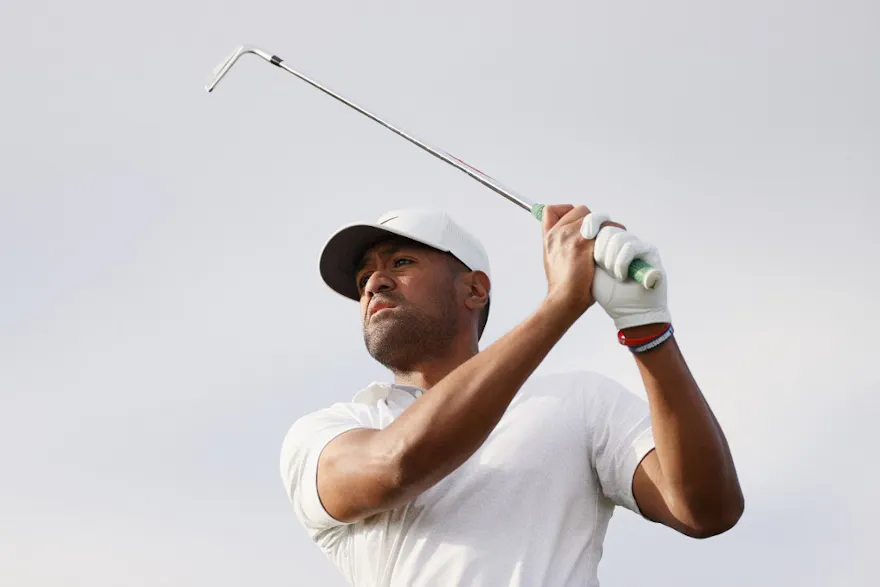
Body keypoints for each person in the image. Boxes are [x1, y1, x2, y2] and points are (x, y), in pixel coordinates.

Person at [280, 205, 743, 586]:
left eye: (401, 263)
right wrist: (562, 302)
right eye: (364, 280)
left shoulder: (577, 400)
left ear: (475, 289)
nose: (375, 283)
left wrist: (647, 329)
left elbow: (707, 509)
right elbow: (397, 464)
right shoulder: (325, 432)